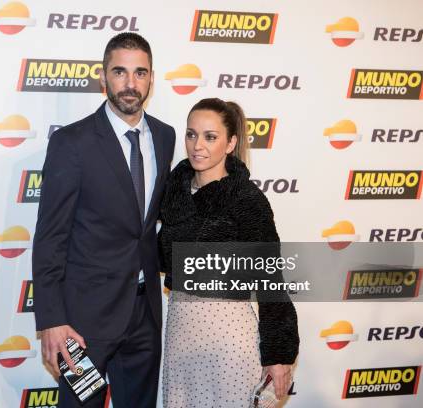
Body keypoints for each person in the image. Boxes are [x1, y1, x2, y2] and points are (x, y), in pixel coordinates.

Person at [32, 32, 176, 408]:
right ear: (103, 77)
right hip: (83, 324)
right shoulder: (72, 143)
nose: (130, 84)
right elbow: (50, 237)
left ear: (151, 78)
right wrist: (51, 319)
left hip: (144, 316)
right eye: (120, 72)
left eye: (140, 73)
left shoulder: (164, 136)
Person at [159, 98, 299, 407]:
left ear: (231, 142)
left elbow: (270, 279)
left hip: (228, 338)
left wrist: (278, 355)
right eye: (191, 134)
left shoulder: (246, 200)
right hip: (180, 331)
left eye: (210, 137)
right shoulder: (173, 191)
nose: (198, 145)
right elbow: (161, 254)